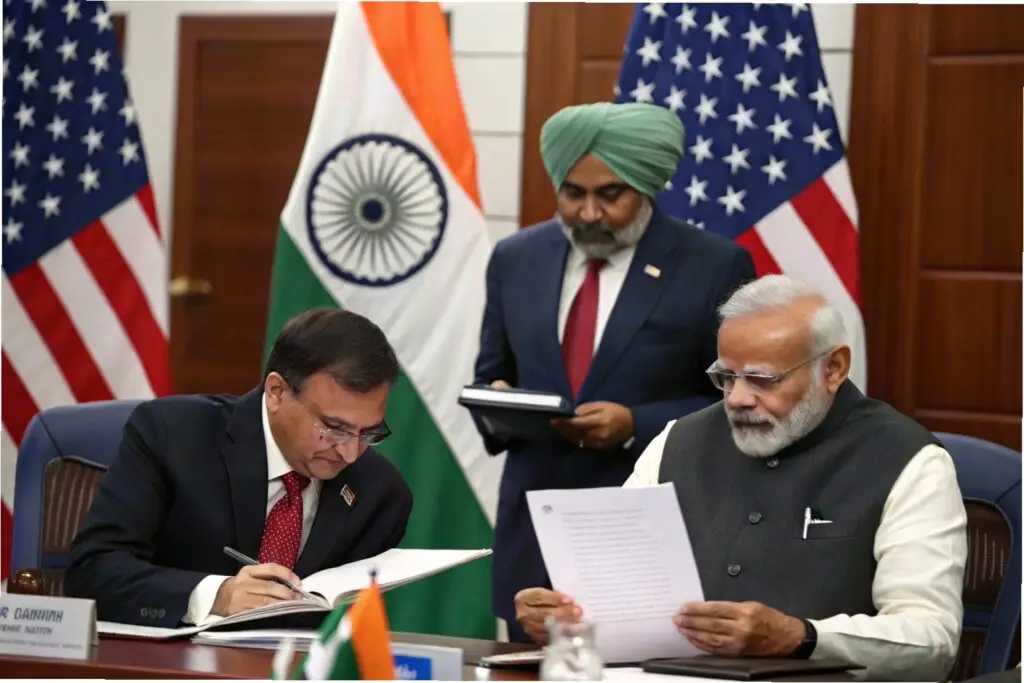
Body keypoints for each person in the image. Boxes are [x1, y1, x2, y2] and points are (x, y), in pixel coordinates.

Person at [512, 275, 967, 681]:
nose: (737, 399)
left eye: (762, 380)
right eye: (726, 376)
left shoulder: (910, 461)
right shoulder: (679, 441)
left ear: (833, 368)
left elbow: (932, 642)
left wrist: (801, 637)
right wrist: (565, 617)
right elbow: (614, 589)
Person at [473, 101, 756, 641]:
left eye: (609, 195)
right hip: (535, 528)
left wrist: (636, 424)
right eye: (572, 193)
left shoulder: (714, 264)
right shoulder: (515, 257)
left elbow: (740, 398)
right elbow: (492, 374)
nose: (589, 214)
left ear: (645, 187)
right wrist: (502, 405)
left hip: (650, 529)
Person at [66, 308, 413, 627]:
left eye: (368, 433)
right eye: (333, 429)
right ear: (276, 392)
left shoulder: (380, 494)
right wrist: (218, 595)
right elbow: (93, 572)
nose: (350, 453)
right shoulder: (173, 437)